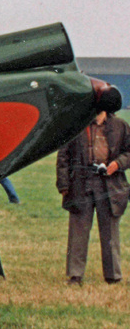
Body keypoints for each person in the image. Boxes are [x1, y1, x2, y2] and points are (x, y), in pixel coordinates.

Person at [56, 110, 130, 285]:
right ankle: (75, 275)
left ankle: (113, 276)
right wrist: (64, 185)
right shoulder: (76, 125)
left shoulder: (120, 126)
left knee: (110, 231)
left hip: (110, 184)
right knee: (78, 231)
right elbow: (63, 156)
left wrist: (117, 164)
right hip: (81, 184)